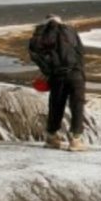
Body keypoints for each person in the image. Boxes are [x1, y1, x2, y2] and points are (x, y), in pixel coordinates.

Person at [28, 14, 87, 151]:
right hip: (75, 73)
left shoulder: (39, 36)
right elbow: (80, 52)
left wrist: (48, 71)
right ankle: (75, 140)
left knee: (56, 105)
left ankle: (51, 137)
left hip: (57, 76)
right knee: (77, 105)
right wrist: (80, 72)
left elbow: (36, 56)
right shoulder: (70, 31)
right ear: (60, 21)